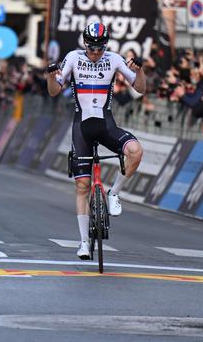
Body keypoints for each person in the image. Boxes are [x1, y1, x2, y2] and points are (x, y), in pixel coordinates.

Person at [46, 22, 146, 260]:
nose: (95, 53)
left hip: (106, 124)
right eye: (92, 48)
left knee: (135, 151)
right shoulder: (73, 57)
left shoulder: (113, 59)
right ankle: (83, 242)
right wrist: (51, 77)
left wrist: (140, 70)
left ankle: (114, 193)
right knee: (82, 186)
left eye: (100, 48)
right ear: (84, 43)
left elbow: (141, 89)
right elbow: (53, 91)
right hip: (81, 127)